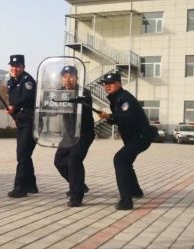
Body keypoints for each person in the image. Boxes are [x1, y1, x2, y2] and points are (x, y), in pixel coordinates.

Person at [97, 72, 156, 210]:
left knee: (120, 160)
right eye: (105, 84)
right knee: (126, 162)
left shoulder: (124, 98)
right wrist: (109, 117)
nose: (107, 86)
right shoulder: (116, 98)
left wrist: (110, 116)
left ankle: (126, 201)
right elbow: (121, 118)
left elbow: (127, 117)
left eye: (111, 83)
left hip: (140, 138)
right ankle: (135, 191)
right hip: (133, 138)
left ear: (119, 83)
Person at [53, 65, 95, 207]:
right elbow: (51, 109)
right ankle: (79, 184)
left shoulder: (85, 93)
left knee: (74, 160)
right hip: (68, 134)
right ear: (61, 78)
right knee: (59, 161)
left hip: (84, 134)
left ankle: (76, 195)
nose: (68, 79)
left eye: (71, 76)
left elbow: (82, 106)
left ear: (77, 78)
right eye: (64, 76)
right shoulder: (58, 93)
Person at [5, 54, 38, 198]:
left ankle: (20, 187)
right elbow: (14, 100)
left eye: (18, 66)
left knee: (22, 155)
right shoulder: (10, 82)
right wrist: (13, 112)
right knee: (24, 154)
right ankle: (31, 185)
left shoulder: (27, 81)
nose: (15, 69)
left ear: (23, 67)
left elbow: (27, 98)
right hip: (21, 121)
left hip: (30, 122)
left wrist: (14, 107)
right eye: (12, 66)